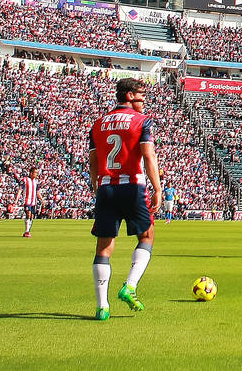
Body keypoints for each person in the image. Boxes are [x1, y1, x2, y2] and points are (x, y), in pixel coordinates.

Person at [88, 78, 163, 322]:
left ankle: (102, 307)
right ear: (129, 95)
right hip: (132, 186)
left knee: (104, 246)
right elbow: (148, 155)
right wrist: (158, 188)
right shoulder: (142, 121)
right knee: (147, 234)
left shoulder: (98, 123)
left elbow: (94, 161)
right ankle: (130, 286)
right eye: (142, 95)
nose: (145, 100)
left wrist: (95, 186)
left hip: (106, 188)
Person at [20, 167, 41, 237]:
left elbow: (37, 191)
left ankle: (28, 231)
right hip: (27, 200)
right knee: (28, 214)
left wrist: (42, 199)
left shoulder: (36, 181)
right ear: (31, 173)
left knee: (32, 216)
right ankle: (26, 231)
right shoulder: (25, 180)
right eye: (35, 173)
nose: (36, 174)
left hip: (33, 201)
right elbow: (20, 190)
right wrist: (16, 200)